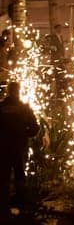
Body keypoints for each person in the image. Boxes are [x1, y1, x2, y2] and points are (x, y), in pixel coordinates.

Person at [0, 81, 40, 209]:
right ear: (18, 91)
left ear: (8, 91)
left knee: (3, 174)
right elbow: (35, 127)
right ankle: (21, 201)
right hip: (19, 146)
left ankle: (3, 204)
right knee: (20, 173)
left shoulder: (1, 107)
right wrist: (24, 134)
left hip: (3, 147)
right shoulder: (24, 108)